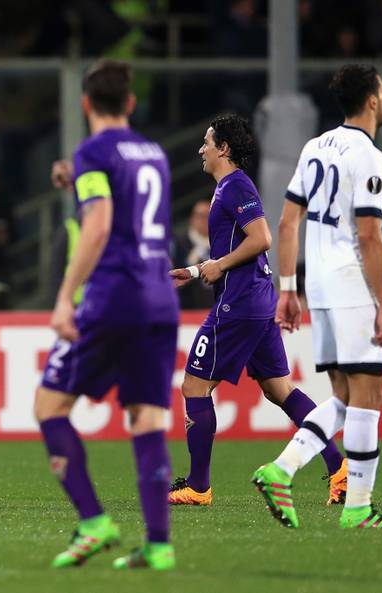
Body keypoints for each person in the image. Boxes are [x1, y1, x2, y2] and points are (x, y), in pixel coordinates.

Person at [34, 59, 178, 570]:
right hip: (161, 297)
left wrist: (63, 296)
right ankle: (158, 545)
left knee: (50, 407)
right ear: (132, 103)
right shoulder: (155, 153)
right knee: (147, 417)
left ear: (86, 104)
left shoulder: (92, 150)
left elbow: (97, 225)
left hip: (114, 295)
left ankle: (94, 522)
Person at [254, 64, 382, 529]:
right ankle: (358, 508)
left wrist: (288, 289)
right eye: (381, 91)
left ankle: (281, 469)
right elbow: (370, 236)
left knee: (344, 395)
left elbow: (286, 223)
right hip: (351, 284)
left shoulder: (314, 147)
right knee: (369, 394)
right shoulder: (369, 157)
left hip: (318, 284)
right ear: (372, 100)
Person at [167, 115, 346, 508]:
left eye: (207, 142)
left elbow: (261, 238)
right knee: (278, 389)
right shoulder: (226, 189)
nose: (201, 149)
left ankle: (198, 487)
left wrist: (216, 266)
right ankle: (339, 469)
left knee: (194, 387)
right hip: (255, 300)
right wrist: (199, 269)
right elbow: (237, 248)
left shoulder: (235, 186)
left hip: (240, 303)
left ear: (224, 149)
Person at [172, 200, 214, 309]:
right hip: (189, 305)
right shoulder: (180, 242)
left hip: (216, 305)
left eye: (208, 216)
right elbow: (174, 272)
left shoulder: (221, 241)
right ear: (192, 219)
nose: (204, 220)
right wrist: (189, 262)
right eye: (200, 216)